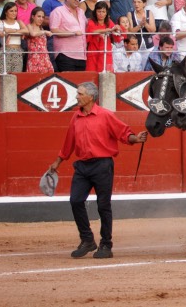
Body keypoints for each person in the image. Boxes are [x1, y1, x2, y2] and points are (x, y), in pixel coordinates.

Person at [47, 82, 148, 259]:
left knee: (103, 205)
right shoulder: (75, 117)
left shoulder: (105, 115)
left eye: (80, 94)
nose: (76, 96)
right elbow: (68, 143)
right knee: (76, 201)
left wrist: (135, 139)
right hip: (82, 166)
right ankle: (87, 240)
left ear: (90, 97)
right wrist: (57, 162)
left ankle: (106, 245)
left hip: (102, 165)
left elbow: (123, 133)